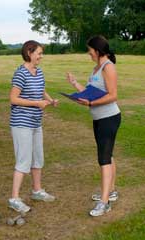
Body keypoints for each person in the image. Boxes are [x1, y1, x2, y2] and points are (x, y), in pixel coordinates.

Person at [66, 35, 121, 217]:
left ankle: (104, 202)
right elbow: (91, 93)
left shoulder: (108, 67)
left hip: (109, 117)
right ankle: (111, 192)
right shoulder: (96, 68)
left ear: (97, 51)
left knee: (104, 159)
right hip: (99, 118)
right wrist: (75, 84)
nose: (88, 53)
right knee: (108, 155)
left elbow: (113, 95)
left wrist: (90, 104)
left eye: (90, 50)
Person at [8, 40, 58, 213]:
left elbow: (42, 90)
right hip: (21, 123)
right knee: (23, 160)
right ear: (29, 53)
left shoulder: (39, 71)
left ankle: (37, 191)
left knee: (38, 157)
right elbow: (13, 99)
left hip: (36, 122)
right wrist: (36, 103)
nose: (41, 56)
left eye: (41, 53)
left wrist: (50, 100)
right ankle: (14, 198)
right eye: (39, 53)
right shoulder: (20, 73)